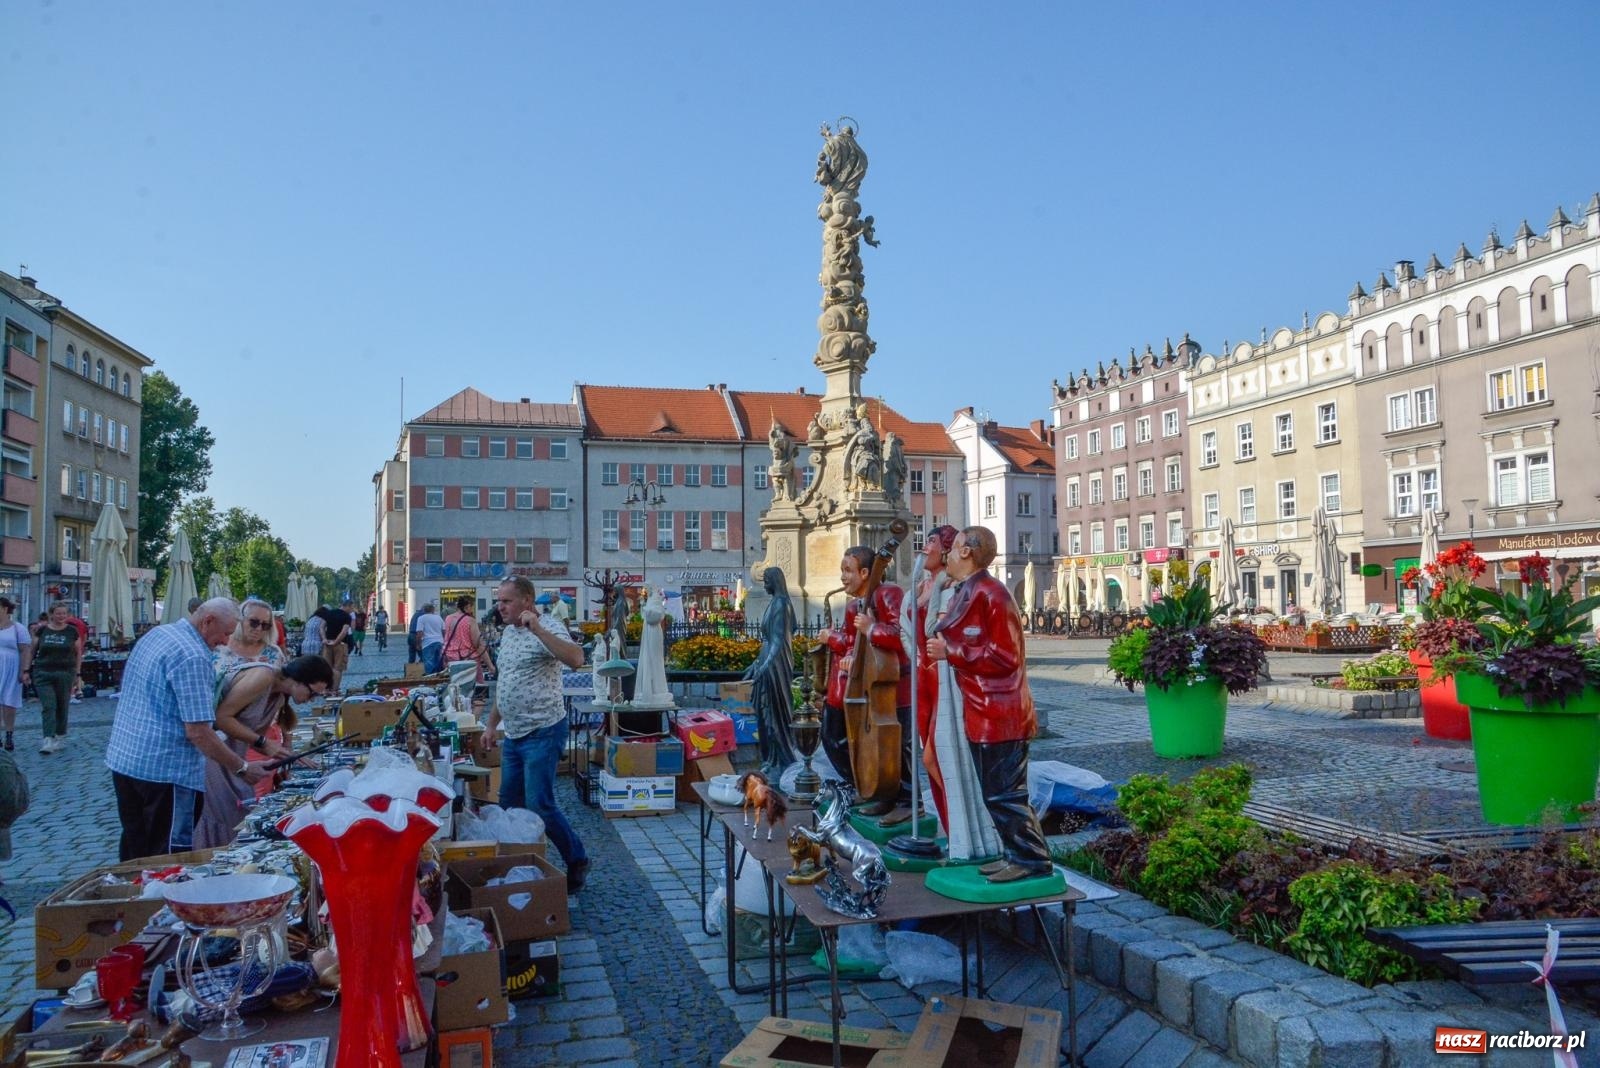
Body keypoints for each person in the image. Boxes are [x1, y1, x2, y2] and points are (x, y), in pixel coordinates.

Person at [927, 526, 1052, 883]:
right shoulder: (969, 591)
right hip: (982, 709)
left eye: (952, 549)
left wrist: (951, 651)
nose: (948, 554)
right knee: (994, 793)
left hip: (1000, 712)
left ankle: (1032, 859)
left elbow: (1005, 656)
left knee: (1006, 794)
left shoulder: (992, 594)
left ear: (966, 552)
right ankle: (1015, 854)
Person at [104, 598, 271, 861]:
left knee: (136, 849)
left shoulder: (159, 634)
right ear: (207, 621)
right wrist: (242, 767)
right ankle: (158, 900)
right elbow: (198, 731)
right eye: (226, 633)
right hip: (166, 773)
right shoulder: (193, 655)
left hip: (127, 761)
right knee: (168, 857)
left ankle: (134, 898)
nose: (226, 641)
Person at [483, 578, 589, 893]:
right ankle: (519, 867)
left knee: (539, 803)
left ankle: (577, 859)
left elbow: (576, 659)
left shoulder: (549, 627)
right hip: (514, 734)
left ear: (527, 602)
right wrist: (491, 725)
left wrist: (538, 630)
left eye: (507, 601)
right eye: (498, 601)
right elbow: (505, 685)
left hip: (543, 730)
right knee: (508, 804)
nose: (500, 606)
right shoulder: (508, 636)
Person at [905, 526, 1001, 862]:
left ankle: (962, 827)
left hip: (945, 676)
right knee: (932, 756)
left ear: (953, 550)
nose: (925, 547)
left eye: (932, 541)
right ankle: (953, 828)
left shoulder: (955, 589)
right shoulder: (925, 586)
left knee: (938, 756)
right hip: (927, 675)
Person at [195, 655, 332, 848]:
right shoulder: (263, 676)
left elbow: (248, 736)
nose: (311, 701)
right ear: (299, 680)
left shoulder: (277, 697)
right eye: (312, 694)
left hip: (231, 759)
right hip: (214, 758)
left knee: (236, 818)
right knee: (222, 819)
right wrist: (264, 743)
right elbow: (222, 718)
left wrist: (283, 755)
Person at [819, 546, 909, 816]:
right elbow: (851, 643)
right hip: (866, 684)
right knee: (842, 738)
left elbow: (900, 636)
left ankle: (903, 799)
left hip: (892, 685)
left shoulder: (889, 594)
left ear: (866, 572)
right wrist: (845, 650)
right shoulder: (852, 606)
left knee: (896, 747)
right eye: (842, 570)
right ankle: (868, 786)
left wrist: (871, 628)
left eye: (848, 570)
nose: (843, 577)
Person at [744, 567, 798, 779]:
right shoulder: (776, 603)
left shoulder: (781, 605)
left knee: (773, 714)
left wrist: (765, 665)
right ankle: (771, 759)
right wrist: (757, 663)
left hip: (776, 667)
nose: (764, 585)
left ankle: (780, 759)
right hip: (768, 662)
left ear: (775, 581)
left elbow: (777, 641)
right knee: (764, 714)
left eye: (766, 581)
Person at [30, 602, 81, 755]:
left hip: (65, 672)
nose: (61, 616)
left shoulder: (72, 631)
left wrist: (77, 674)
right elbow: (32, 651)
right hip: (43, 671)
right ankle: (48, 738)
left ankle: (60, 734)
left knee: (62, 704)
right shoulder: (42, 631)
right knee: (48, 705)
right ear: (51, 614)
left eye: (64, 614)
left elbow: (78, 653)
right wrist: (26, 670)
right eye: (58, 613)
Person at [214, 597, 285, 680]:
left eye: (265, 625)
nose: (259, 629)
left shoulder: (274, 653)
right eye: (254, 622)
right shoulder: (219, 646)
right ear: (240, 619)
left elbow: (279, 685)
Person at [0, 599, 31, 754]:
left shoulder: (18, 628)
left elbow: (25, 650)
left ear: (5, 609)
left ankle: (9, 734)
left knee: (9, 702)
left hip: (11, 666)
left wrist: (24, 670)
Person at [442, 595, 490, 682]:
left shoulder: (448, 618)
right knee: (476, 688)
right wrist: (490, 666)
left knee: (455, 687)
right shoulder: (470, 620)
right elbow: (478, 645)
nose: (472, 609)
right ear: (467, 607)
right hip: (467, 660)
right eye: (472, 606)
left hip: (450, 658)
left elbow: (447, 636)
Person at [320, 602, 353, 691]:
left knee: (327, 668)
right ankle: (334, 691)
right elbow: (344, 631)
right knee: (337, 669)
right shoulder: (347, 617)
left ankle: (326, 690)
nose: (351, 610)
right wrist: (336, 642)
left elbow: (321, 627)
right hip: (340, 644)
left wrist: (324, 638)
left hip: (327, 643)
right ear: (347, 606)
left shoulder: (329, 613)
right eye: (351, 608)